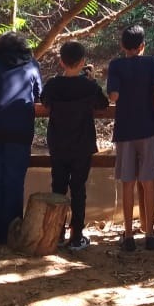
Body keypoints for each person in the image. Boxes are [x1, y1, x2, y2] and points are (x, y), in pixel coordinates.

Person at [40, 41, 109, 251]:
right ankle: (77, 235)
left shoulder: (53, 85)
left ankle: (57, 232)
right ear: (82, 62)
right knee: (78, 189)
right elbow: (103, 104)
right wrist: (91, 80)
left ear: (61, 61)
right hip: (82, 145)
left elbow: (44, 101)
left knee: (58, 187)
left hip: (58, 144)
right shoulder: (89, 86)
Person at [0, 31, 43, 245]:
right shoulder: (31, 65)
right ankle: (14, 228)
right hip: (19, 128)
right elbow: (38, 94)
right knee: (15, 180)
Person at [107, 24, 154, 252]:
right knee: (149, 181)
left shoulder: (116, 65)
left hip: (125, 130)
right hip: (148, 128)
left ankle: (129, 235)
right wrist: (149, 109)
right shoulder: (151, 63)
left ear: (122, 45)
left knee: (128, 182)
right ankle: (150, 234)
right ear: (142, 45)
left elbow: (114, 96)